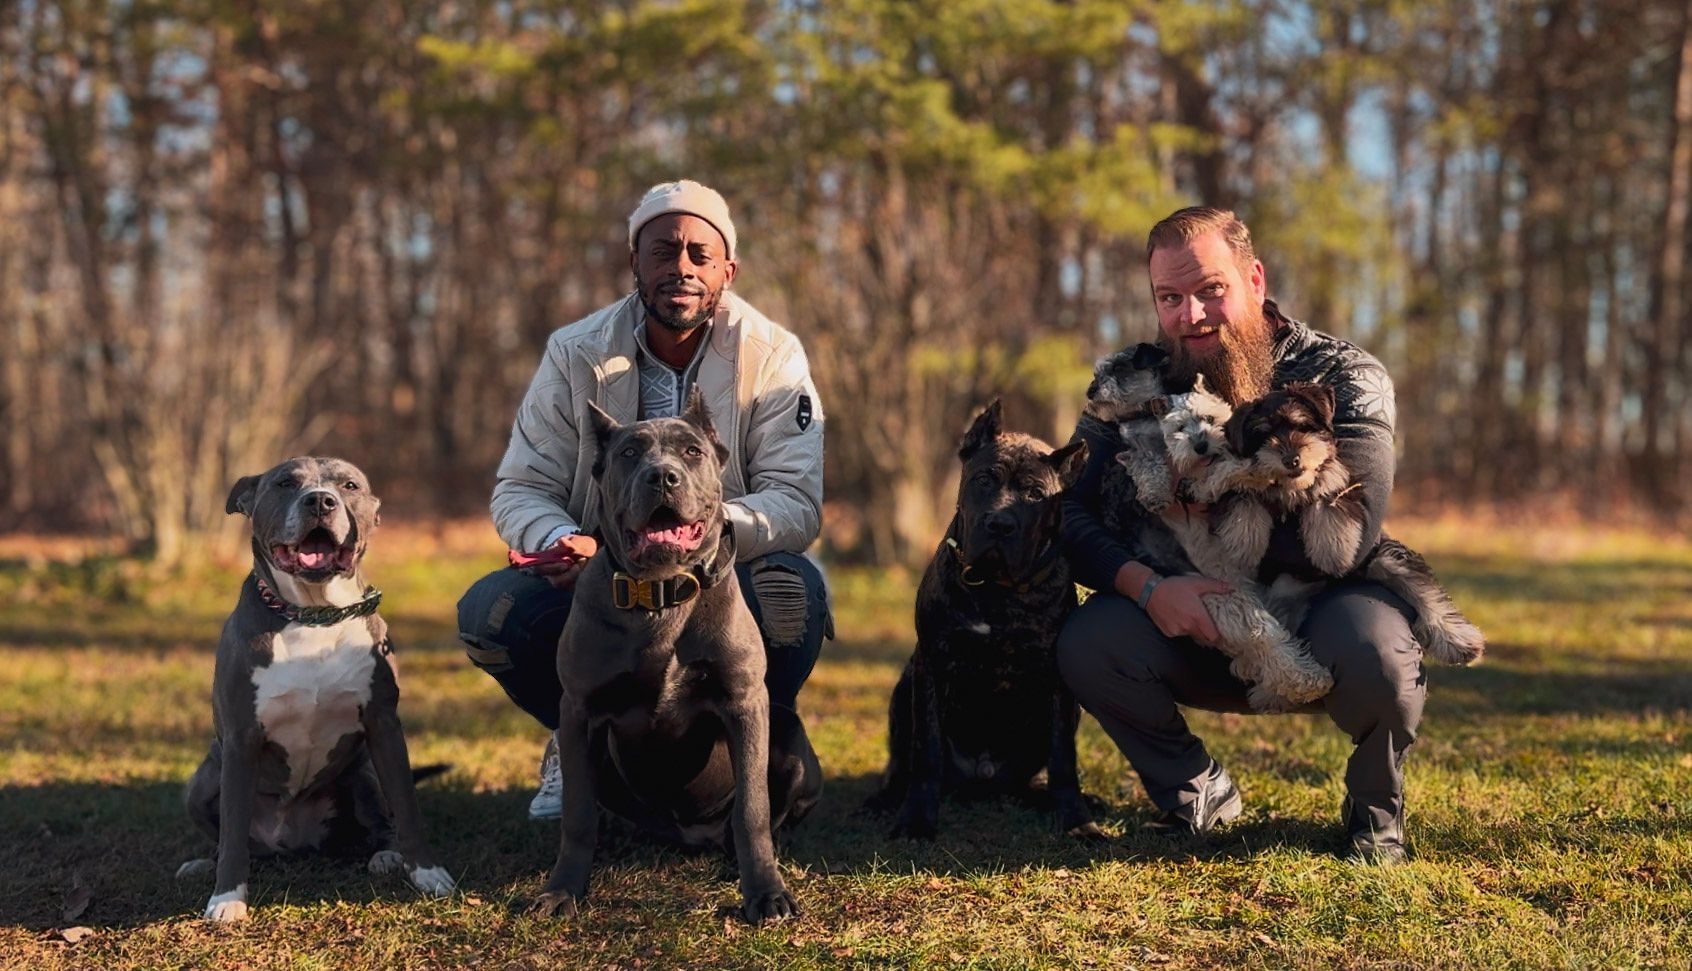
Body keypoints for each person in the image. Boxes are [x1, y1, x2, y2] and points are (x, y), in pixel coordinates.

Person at [457, 180, 831, 819]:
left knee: (791, 594)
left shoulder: (774, 356)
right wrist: (557, 539)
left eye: (698, 255)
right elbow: (521, 486)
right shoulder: (574, 352)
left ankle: (754, 743)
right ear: (635, 260)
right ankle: (583, 747)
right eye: (662, 252)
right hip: (603, 575)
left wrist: (709, 538)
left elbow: (795, 500)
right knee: (493, 615)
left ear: (727, 271)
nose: (680, 268)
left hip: (723, 574)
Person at [1055, 206, 1418, 864]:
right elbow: (1069, 514)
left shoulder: (1344, 374)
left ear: (1254, 279)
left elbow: (1352, 533)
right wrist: (1150, 587)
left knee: (1384, 657)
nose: (1190, 314)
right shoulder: (1131, 382)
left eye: (1210, 290)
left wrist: (1214, 524)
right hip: (1186, 619)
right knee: (1086, 638)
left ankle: (1375, 811)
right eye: (1170, 297)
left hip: (1318, 611)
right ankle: (1195, 790)